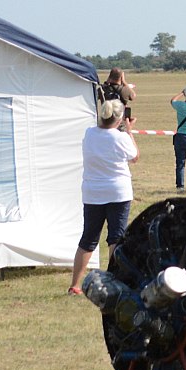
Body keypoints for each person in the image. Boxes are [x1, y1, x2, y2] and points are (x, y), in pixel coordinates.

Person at [70, 99, 138, 294]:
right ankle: (115, 281)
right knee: (116, 237)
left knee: (88, 239)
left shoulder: (89, 133)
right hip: (118, 191)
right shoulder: (120, 137)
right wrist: (130, 130)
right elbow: (135, 156)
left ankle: (75, 284)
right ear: (119, 119)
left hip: (92, 192)